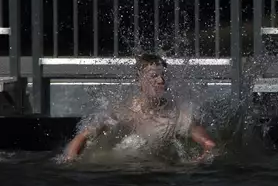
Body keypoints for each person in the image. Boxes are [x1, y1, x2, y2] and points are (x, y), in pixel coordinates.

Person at [62, 53, 217, 162]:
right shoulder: (124, 110)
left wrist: (199, 161)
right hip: (114, 173)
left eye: (163, 75)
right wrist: (71, 160)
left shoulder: (176, 115)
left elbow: (209, 144)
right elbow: (83, 137)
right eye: (153, 76)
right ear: (139, 81)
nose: (161, 80)